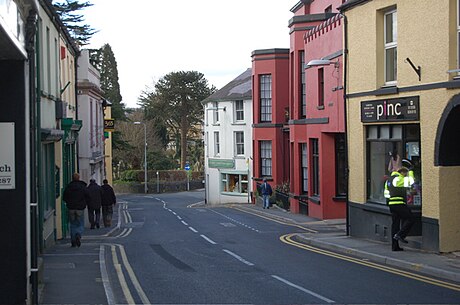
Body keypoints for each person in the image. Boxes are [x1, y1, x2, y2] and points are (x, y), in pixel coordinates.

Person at [384, 167, 415, 251]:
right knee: (410, 218)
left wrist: (389, 203)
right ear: (402, 172)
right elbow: (411, 181)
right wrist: (411, 171)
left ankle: (395, 246)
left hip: (392, 205)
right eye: (406, 173)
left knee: (395, 225)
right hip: (399, 204)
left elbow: (386, 194)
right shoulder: (398, 179)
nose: (406, 175)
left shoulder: (388, 181)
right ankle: (400, 235)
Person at [63, 173, 89, 247]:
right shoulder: (82, 187)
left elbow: (64, 197)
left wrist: (68, 202)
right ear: (79, 178)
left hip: (71, 208)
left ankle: (73, 241)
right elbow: (88, 196)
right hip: (80, 208)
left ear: (72, 178)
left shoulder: (69, 187)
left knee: (73, 224)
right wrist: (85, 203)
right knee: (80, 223)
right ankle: (78, 234)